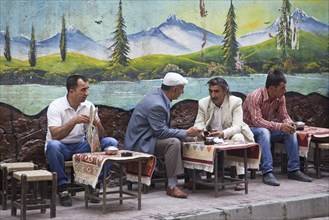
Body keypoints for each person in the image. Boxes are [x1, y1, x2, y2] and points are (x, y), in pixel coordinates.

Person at [123, 72, 203, 199]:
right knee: (173, 143)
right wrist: (186, 132)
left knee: (187, 139)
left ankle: (193, 178)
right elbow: (161, 132)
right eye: (182, 89)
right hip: (141, 142)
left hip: (150, 137)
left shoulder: (160, 95)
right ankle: (172, 185)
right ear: (174, 89)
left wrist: (187, 135)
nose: (182, 92)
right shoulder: (157, 104)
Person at [45, 75, 118, 207]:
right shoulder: (56, 106)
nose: (87, 93)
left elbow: (101, 136)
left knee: (111, 143)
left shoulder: (88, 106)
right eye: (83, 90)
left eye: (87, 89)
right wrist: (74, 121)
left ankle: (95, 183)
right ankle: (62, 189)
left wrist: (97, 124)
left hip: (81, 145)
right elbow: (55, 135)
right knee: (53, 146)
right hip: (62, 147)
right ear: (71, 91)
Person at [242, 70, 312, 186]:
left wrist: (290, 124)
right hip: (249, 130)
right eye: (282, 88)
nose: (285, 91)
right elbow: (257, 121)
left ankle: (294, 170)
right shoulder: (255, 97)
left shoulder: (281, 97)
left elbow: (284, 116)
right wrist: (280, 126)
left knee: (290, 132)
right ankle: (267, 172)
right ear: (271, 89)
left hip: (266, 129)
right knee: (264, 132)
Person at [193, 77, 255, 191]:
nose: (213, 95)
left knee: (239, 137)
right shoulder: (203, 103)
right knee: (194, 137)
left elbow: (237, 126)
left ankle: (240, 177)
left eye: (216, 91)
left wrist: (222, 133)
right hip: (212, 137)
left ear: (225, 91)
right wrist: (204, 133)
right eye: (211, 91)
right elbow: (199, 123)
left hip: (229, 134)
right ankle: (196, 176)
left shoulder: (235, 102)